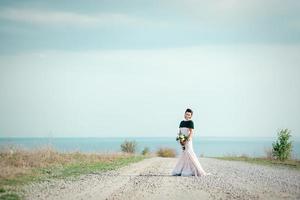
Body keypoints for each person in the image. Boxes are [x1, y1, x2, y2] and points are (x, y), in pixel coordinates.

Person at [171, 108, 211, 177]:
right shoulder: (181, 122)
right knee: (184, 154)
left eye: (189, 115)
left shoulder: (191, 122)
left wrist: (187, 139)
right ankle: (180, 170)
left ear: (191, 116)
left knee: (189, 153)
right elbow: (180, 132)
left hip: (188, 140)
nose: (187, 115)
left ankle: (195, 170)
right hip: (182, 139)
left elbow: (191, 132)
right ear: (184, 114)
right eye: (186, 114)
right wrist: (181, 139)